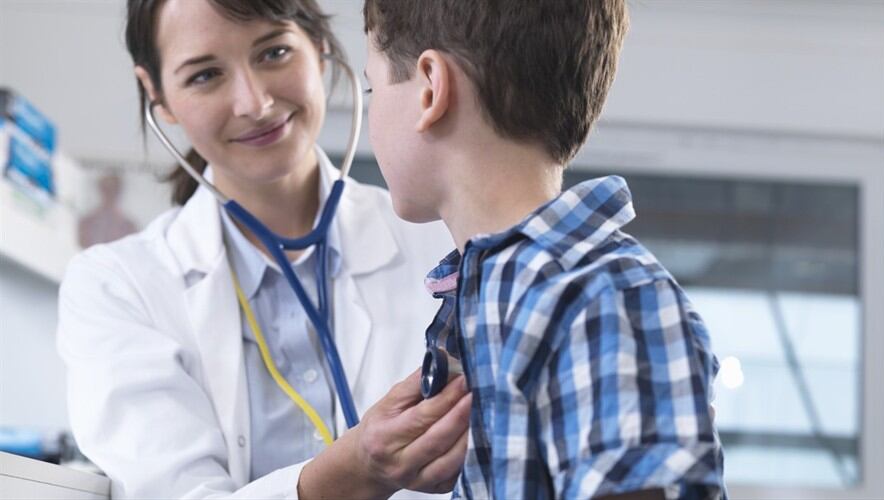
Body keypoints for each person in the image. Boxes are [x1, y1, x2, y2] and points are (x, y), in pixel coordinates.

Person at [56, 0, 471, 498]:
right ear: (157, 94)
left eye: (274, 52)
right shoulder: (117, 287)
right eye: (205, 75)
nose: (254, 103)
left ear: (319, 46)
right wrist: (352, 471)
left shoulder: (441, 240)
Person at [362, 0, 726, 499]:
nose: (369, 113)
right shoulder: (490, 297)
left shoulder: (606, 300)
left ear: (429, 87)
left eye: (371, 87)